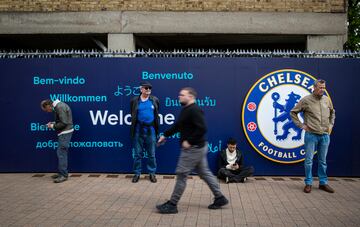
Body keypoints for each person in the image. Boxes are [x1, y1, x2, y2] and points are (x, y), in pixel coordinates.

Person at [156, 87, 229, 214]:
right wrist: (165, 135)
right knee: (204, 173)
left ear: (190, 96)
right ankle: (220, 198)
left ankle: (172, 204)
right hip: (199, 148)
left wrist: (189, 141)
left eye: (182, 95)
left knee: (181, 175)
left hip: (193, 149)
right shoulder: (186, 110)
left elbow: (202, 129)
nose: (179, 96)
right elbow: (178, 125)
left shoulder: (194, 110)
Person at [290, 79, 336, 193]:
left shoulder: (327, 100)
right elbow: (293, 112)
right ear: (314, 87)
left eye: (324, 88)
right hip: (311, 135)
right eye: (320, 87)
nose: (322, 90)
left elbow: (332, 113)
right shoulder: (306, 100)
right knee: (309, 160)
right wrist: (301, 125)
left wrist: (330, 125)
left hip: (325, 135)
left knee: (323, 161)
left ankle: (323, 183)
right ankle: (308, 183)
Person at [130, 81, 160, 183]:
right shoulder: (135, 101)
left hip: (151, 131)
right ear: (141, 89)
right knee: (138, 154)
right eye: (146, 88)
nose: (148, 90)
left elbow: (156, 114)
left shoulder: (154, 100)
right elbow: (133, 114)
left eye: (150, 88)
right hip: (138, 130)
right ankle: (137, 174)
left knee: (151, 154)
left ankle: (152, 173)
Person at [41, 99, 74, 183]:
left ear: (48, 105)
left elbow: (64, 123)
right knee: (61, 153)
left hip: (65, 132)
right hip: (63, 132)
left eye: (46, 110)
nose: (47, 112)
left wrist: (52, 126)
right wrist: (52, 123)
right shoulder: (58, 107)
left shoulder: (60, 107)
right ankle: (61, 173)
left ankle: (63, 175)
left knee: (61, 153)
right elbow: (61, 120)